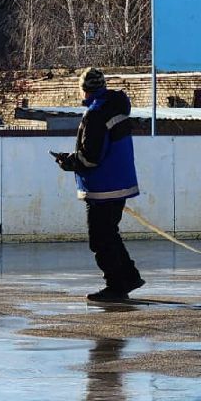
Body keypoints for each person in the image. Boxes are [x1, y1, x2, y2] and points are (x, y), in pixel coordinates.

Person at [51, 68, 145, 303]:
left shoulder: (95, 114)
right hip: (119, 184)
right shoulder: (116, 108)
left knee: (100, 239)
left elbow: (91, 158)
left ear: (83, 90)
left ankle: (116, 286)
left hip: (103, 187)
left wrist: (68, 162)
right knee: (110, 234)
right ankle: (129, 277)